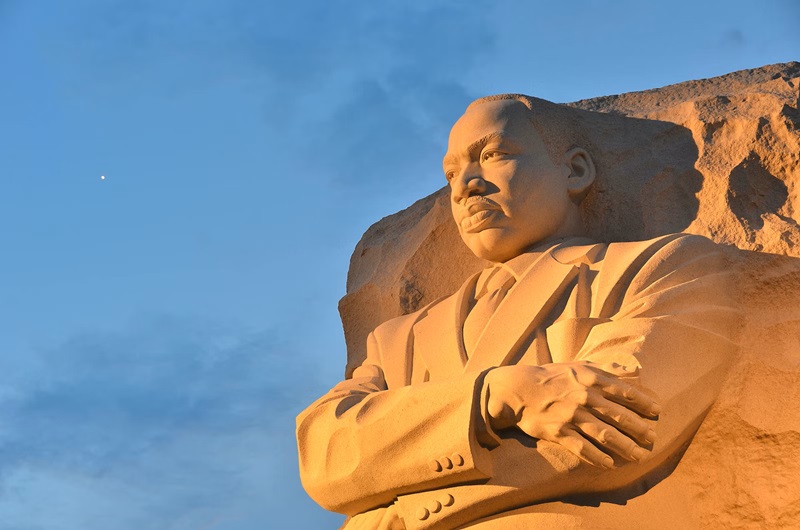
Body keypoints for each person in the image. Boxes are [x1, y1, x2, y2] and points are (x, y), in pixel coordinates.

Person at [297, 94, 740, 530]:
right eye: (451, 173)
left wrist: (394, 511)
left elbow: (622, 429)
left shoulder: (658, 267)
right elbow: (326, 455)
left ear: (575, 169)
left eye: (493, 154)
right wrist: (493, 395)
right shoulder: (400, 338)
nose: (465, 185)